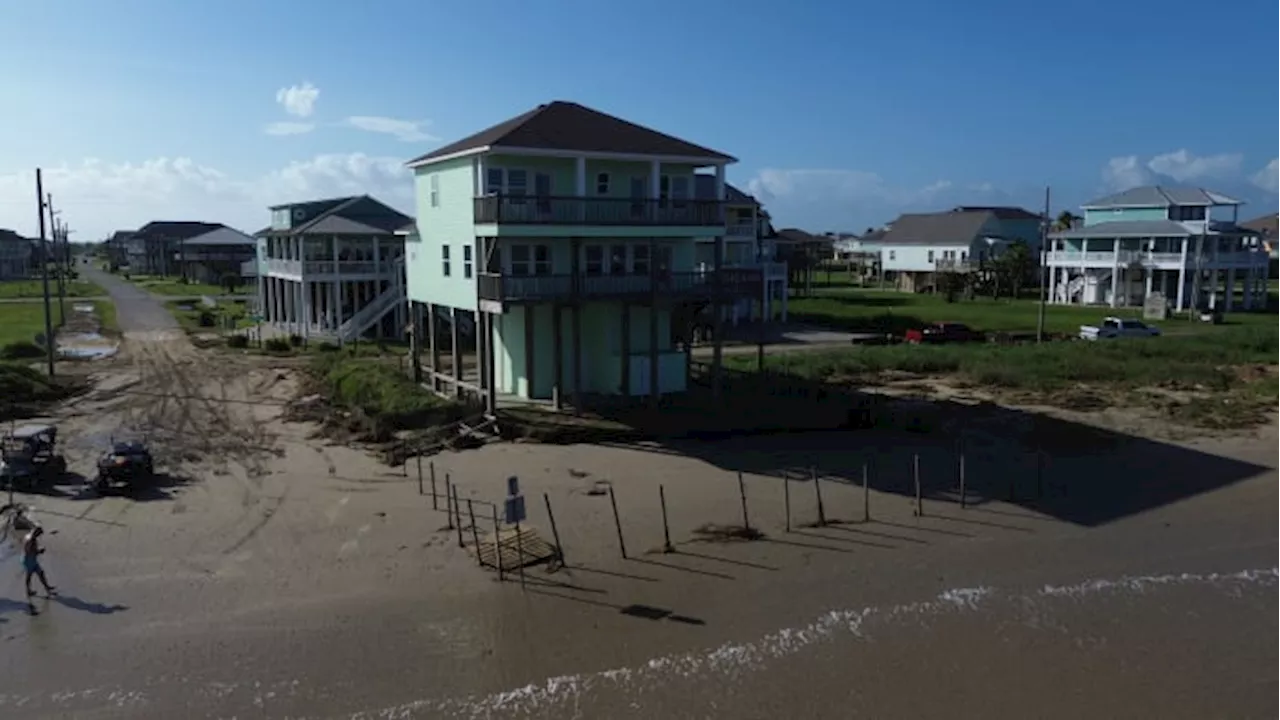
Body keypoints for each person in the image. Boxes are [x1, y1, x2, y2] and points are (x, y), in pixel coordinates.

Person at [22, 527, 55, 598]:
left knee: (40, 573)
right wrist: (39, 551)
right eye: (39, 534)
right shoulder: (31, 540)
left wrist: (37, 550)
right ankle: (29, 591)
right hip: (29, 560)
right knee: (30, 575)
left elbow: (27, 549)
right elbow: (29, 551)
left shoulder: (29, 536)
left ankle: (46, 588)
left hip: (30, 559)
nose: (39, 536)